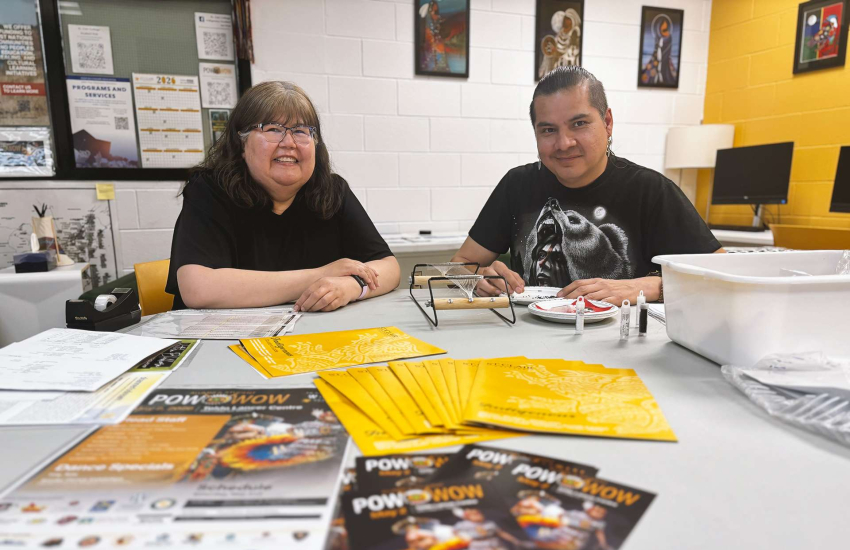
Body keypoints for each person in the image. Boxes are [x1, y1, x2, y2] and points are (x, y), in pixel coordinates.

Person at [451, 66, 722, 304]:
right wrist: (476, 277)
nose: (563, 143)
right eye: (548, 130)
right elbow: (456, 267)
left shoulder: (651, 190)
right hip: (527, 341)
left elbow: (725, 276)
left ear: (607, 123)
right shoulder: (516, 184)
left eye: (579, 124)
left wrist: (646, 286)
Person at [166, 81, 399, 311]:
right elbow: (197, 289)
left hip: (308, 338)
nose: (289, 143)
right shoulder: (209, 189)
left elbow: (389, 267)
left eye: (300, 131)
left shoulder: (332, 192)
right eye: (273, 129)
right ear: (241, 143)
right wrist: (320, 276)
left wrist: (352, 286)